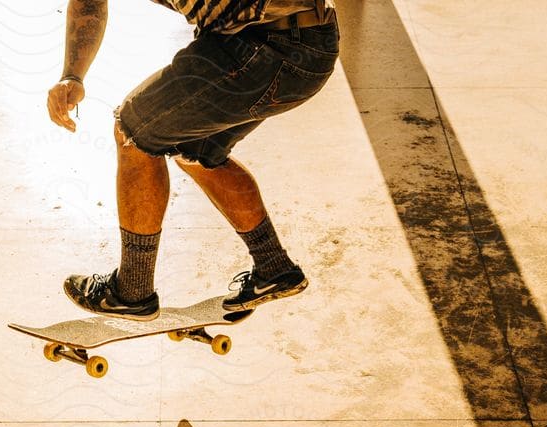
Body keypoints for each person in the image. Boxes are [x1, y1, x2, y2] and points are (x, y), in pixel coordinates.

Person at [47, 0, 340, 318]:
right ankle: (274, 268)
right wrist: (72, 76)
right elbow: (88, 5)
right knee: (194, 149)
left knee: (134, 128)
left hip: (269, 47)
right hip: (301, 46)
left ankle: (131, 292)